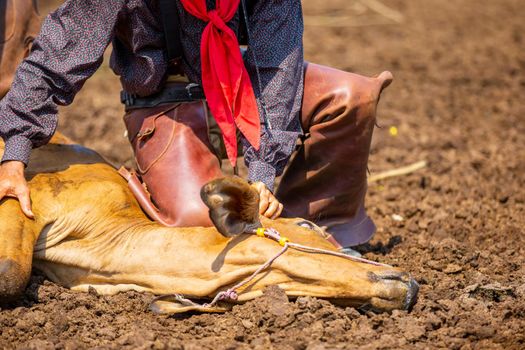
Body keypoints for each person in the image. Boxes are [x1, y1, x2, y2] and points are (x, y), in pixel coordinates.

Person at [0, 0, 390, 250]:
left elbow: (276, 71)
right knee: (198, 224)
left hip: (239, 82)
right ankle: (159, 187)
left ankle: (309, 233)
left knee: (350, 97)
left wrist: (261, 176)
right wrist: (13, 157)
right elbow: (56, 60)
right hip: (166, 97)